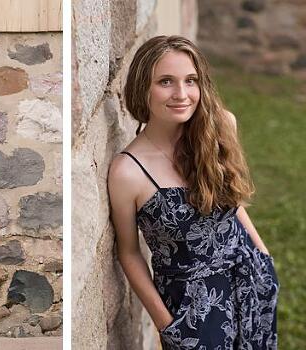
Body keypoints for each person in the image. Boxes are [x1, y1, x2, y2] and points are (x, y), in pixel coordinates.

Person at [108, 36, 279, 349]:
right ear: (142, 88)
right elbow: (129, 253)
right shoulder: (128, 171)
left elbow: (233, 202)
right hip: (192, 312)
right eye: (166, 82)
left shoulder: (220, 127)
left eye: (191, 81)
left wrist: (263, 257)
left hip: (252, 282)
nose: (181, 94)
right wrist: (168, 326)